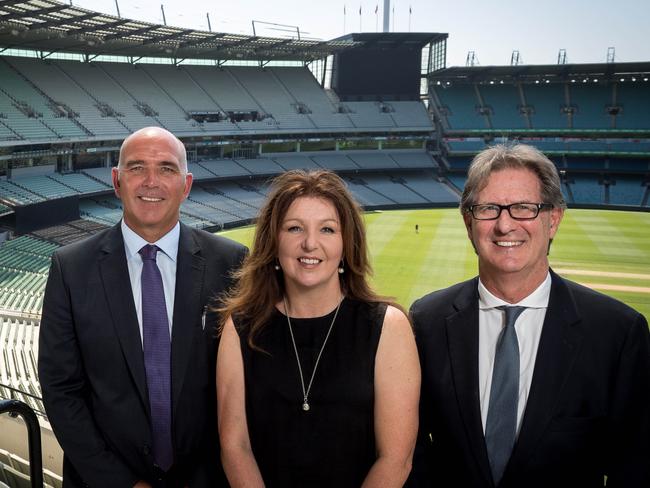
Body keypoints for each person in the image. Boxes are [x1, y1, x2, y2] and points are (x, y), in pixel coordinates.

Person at [407, 143, 650, 487]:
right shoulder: (426, 321)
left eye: (524, 208)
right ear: (468, 221)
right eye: (489, 208)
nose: (505, 225)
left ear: (553, 220)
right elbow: (410, 450)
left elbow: (636, 467)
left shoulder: (618, 332)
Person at [38, 127, 247, 488]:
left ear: (186, 184)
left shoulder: (231, 262)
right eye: (136, 168)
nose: (151, 182)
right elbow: (60, 389)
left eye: (167, 169)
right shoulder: (71, 267)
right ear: (117, 181)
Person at [216, 169, 420, 487]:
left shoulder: (388, 327)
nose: (310, 244)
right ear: (274, 242)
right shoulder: (240, 327)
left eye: (327, 229)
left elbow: (396, 459)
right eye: (295, 228)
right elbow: (235, 448)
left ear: (345, 243)